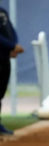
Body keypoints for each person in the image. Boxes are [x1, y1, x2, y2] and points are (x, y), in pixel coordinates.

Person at [0, 6, 24, 135]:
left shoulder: (2, 11)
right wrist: (12, 46)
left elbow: (11, 30)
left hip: (4, 57)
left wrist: (13, 46)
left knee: (1, 92)